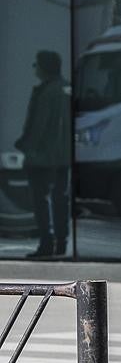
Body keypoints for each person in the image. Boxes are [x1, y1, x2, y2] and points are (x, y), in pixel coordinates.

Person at [18, 51, 71, 258]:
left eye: (36, 64)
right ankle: (61, 241)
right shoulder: (66, 89)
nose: (34, 68)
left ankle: (46, 243)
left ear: (44, 67)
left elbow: (39, 126)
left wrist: (24, 144)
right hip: (63, 157)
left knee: (41, 201)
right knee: (60, 199)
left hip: (42, 158)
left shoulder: (46, 92)